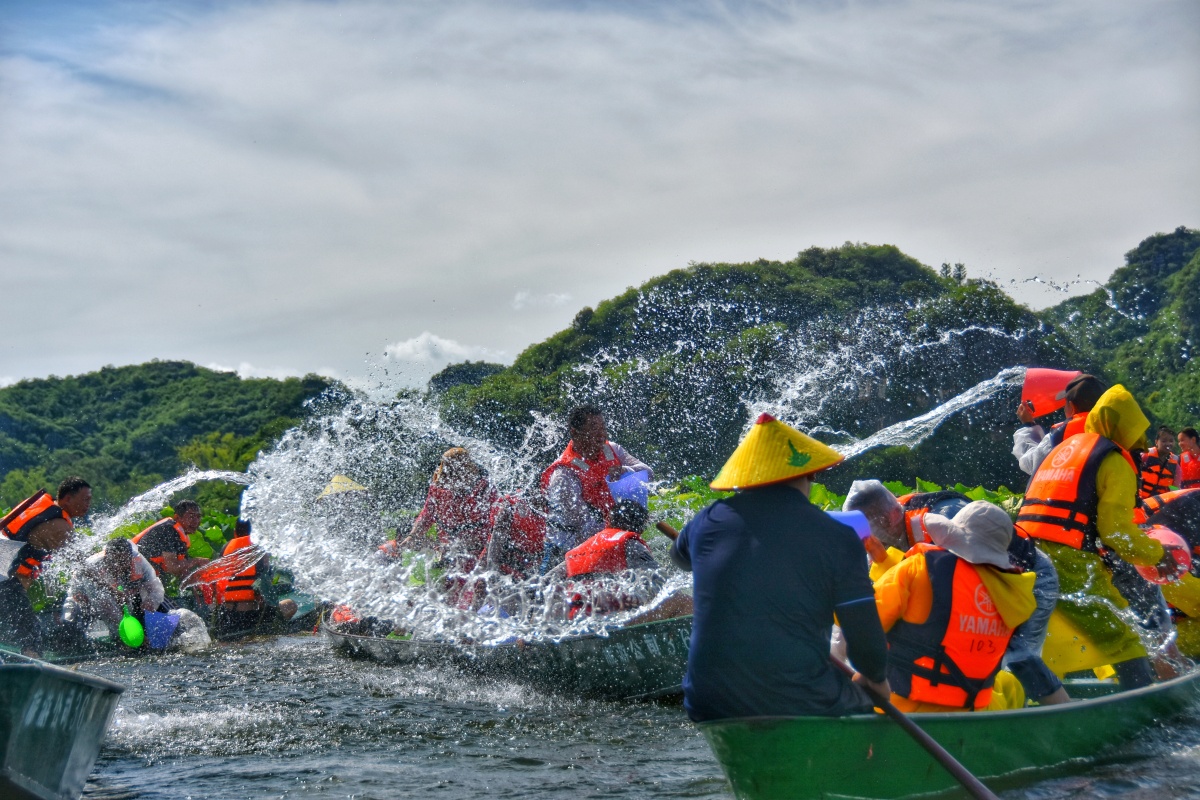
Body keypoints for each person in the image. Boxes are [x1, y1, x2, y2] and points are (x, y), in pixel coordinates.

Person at [670, 413, 889, 722]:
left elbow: (680, 557)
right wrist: (876, 681)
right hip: (797, 700)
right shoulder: (838, 537)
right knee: (870, 693)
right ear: (811, 475)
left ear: (745, 479)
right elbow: (866, 644)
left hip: (707, 702)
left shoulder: (706, 521)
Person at [847, 481, 1068, 705]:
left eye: (875, 531)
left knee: (1018, 654)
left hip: (1030, 577)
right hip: (984, 578)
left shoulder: (951, 519)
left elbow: (953, 584)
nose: (877, 541)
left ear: (894, 515)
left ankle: (1055, 712)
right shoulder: (887, 529)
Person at [1016, 384, 1177, 689]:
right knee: (1124, 638)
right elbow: (1116, 532)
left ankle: (1035, 701)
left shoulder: (1064, 446)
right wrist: (1158, 555)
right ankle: (1142, 708)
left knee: (1036, 639)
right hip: (1067, 559)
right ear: (1124, 426)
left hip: (1022, 550)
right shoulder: (1113, 460)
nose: (1139, 441)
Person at [874, 501, 1036, 712]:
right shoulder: (1014, 592)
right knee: (1007, 682)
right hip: (971, 713)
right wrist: (884, 561)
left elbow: (862, 623)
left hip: (902, 712)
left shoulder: (918, 567)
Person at [540, 405, 653, 572]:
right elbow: (581, 525)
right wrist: (621, 531)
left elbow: (648, 473)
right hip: (566, 548)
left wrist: (626, 471)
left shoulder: (612, 449)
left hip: (607, 534)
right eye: (593, 428)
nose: (601, 434)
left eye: (602, 427)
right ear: (575, 433)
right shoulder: (563, 474)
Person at [0, 477, 92, 656]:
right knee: (31, 636)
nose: (88, 504)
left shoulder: (44, 511)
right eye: (85, 499)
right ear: (67, 499)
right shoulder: (58, 527)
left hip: (6, 579)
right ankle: (29, 675)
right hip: (4, 582)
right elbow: (81, 564)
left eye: (90, 499)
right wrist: (107, 584)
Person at [560, 500, 691, 623]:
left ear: (608, 521)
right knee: (683, 600)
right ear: (642, 528)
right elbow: (661, 583)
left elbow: (549, 581)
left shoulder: (581, 548)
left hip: (576, 620)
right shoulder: (630, 544)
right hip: (612, 621)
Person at [391, 448, 500, 569]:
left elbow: (494, 528)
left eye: (462, 471)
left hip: (479, 555)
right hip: (449, 553)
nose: (455, 478)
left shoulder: (485, 489)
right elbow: (427, 514)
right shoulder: (439, 488)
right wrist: (413, 536)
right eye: (451, 474)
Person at [842, 481, 968, 579]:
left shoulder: (943, 521)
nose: (873, 539)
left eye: (874, 526)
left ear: (895, 513)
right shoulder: (875, 540)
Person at [60, 537, 164, 643]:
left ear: (130, 558)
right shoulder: (94, 566)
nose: (118, 566)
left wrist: (150, 602)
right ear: (106, 557)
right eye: (114, 561)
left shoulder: (139, 562)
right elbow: (104, 606)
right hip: (84, 597)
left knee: (150, 607)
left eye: (122, 561)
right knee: (70, 625)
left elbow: (156, 589)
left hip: (122, 596)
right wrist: (126, 635)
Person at [212, 520, 298, 635]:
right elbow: (265, 590)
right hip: (250, 616)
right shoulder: (258, 551)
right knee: (290, 605)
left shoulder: (225, 548)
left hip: (227, 616)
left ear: (235, 532)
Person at [1012, 373, 1106, 476]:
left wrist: (1027, 425)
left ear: (1072, 407)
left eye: (1065, 404)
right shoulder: (1113, 430)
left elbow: (1030, 463)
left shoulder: (1059, 436)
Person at [132, 500, 210, 580]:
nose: (196, 521)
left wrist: (197, 582)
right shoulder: (169, 530)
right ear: (177, 517)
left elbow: (181, 569)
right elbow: (172, 567)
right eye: (191, 517)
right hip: (131, 566)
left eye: (198, 517)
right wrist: (196, 561)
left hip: (144, 570)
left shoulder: (182, 537)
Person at [1140, 426, 1180, 500]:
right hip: (1141, 501)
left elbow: (1174, 490)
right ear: (1156, 442)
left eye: (1171, 441)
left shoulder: (1176, 467)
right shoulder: (1144, 457)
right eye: (1164, 441)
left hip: (1161, 505)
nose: (1168, 444)